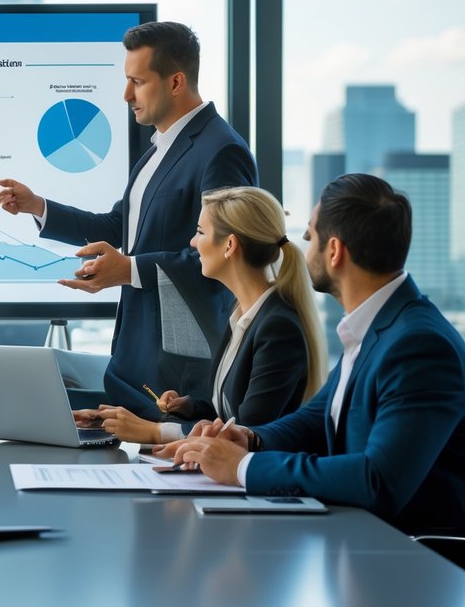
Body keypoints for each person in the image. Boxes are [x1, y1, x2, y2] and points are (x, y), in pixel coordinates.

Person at [158, 174, 465, 535]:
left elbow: (378, 481)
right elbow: (315, 419)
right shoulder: (376, 328)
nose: (302, 248)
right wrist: (249, 438)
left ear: (335, 251)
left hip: (417, 560)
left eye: (309, 237)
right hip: (365, 541)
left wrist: (244, 467)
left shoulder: (418, 346)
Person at [0, 21, 257, 419]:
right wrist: (38, 206)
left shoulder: (221, 150)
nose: (126, 95)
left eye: (137, 82)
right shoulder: (159, 148)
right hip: (136, 357)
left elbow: (230, 257)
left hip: (181, 369)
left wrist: (129, 269)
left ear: (176, 82)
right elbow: (116, 227)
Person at [77, 186, 327, 444]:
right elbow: (231, 412)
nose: (192, 243)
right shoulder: (243, 314)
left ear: (229, 245)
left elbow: (246, 435)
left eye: (200, 232)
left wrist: (155, 431)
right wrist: (193, 407)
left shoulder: (277, 327)